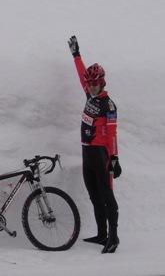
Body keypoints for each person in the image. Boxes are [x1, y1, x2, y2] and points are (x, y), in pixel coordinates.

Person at [67, 35, 122, 254]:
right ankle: (102, 234)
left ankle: (114, 237)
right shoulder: (90, 97)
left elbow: (113, 134)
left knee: (107, 196)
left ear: (102, 83)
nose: (90, 86)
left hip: (102, 154)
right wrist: (76, 55)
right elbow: (81, 75)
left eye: (94, 83)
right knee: (93, 195)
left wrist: (115, 159)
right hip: (86, 152)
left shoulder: (108, 104)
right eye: (89, 83)